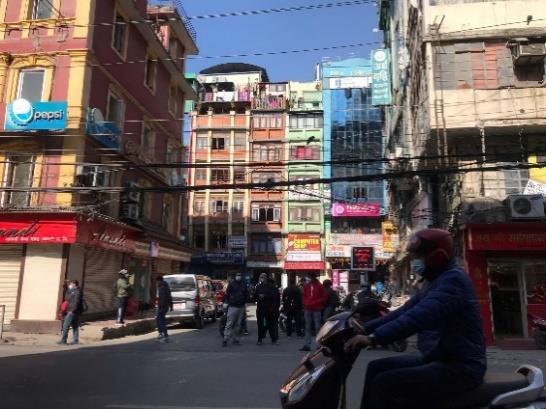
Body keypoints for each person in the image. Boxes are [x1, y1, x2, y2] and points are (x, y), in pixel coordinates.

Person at [344, 228, 487, 409]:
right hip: (439, 357)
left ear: (437, 256)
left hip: (461, 366)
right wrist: (366, 328)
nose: (414, 262)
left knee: (384, 382)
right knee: (375, 368)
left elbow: (418, 316)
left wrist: (374, 338)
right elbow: (405, 310)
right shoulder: (433, 282)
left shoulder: (453, 281)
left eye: (418, 256)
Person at [300, 273, 327, 351]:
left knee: (317, 327)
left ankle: (319, 344)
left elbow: (324, 297)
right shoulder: (307, 286)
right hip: (308, 308)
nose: (309, 279)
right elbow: (304, 296)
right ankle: (307, 345)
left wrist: (315, 302)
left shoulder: (320, 286)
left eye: (310, 277)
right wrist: (305, 303)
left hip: (316, 308)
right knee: (307, 327)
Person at [254, 273, 281, 345]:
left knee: (270, 324)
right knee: (260, 324)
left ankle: (273, 339)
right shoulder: (258, 286)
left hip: (269, 308)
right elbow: (255, 296)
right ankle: (260, 339)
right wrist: (256, 296)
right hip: (260, 308)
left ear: (266, 278)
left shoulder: (271, 287)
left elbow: (273, 296)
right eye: (261, 277)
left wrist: (265, 296)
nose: (262, 279)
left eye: (263, 277)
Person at [223, 272, 248, 347]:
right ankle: (225, 339)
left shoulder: (243, 284)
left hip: (241, 307)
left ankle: (235, 339)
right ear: (235, 277)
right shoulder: (231, 284)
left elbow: (246, 294)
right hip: (232, 306)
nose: (238, 277)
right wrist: (227, 302)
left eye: (239, 275)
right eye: (237, 275)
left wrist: (244, 302)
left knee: (238, 324)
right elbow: (227, 294)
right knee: (229, 323)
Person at [57, 280, 83, 345]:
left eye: (71, 284)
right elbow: (67, 296)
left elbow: (76, 302)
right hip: (74, 311)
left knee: (65, 325)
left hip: (72, 311)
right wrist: (65, 286)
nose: (70, 285)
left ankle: (63, 340)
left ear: (74, 284)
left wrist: (72, 310)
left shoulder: (77, 292)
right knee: (75, 326)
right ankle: (75, 340)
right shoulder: (73, 291)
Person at [155, 276, 173, 343]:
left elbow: (163, 298)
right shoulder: (166, 286)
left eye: (157, 282)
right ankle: (161, 334)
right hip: (164, 306)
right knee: (159, 319)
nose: (156, 283)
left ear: (159, 281)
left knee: (161, 320)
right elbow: (169, 297)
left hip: (162, 307)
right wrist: (171, 306)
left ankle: (165, 336)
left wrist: (160, 306)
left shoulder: (162, 287)